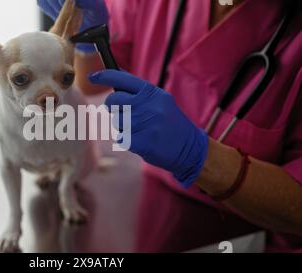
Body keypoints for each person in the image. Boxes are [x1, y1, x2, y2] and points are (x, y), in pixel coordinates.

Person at [37, 0, 302, 252]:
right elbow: (91, 79)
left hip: (258, 239)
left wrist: (198, 155)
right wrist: (84, 41)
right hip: (155, 214)